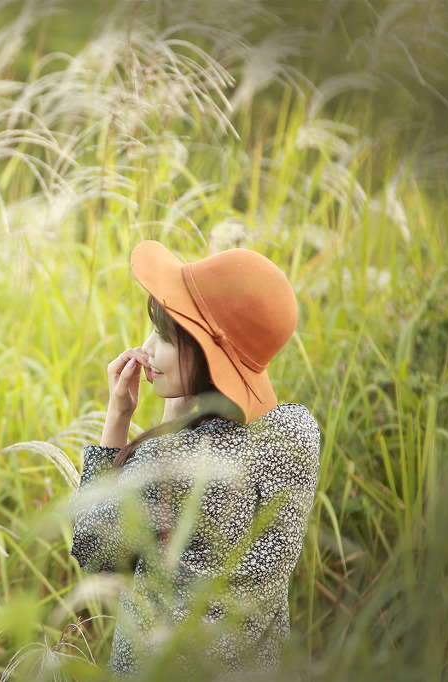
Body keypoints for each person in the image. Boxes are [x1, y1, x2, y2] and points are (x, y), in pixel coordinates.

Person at [69, 240, 320, 678]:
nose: (146, 348)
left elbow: (95, 550)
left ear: (209, 352)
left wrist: (118, 416)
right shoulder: (297, 433)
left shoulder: (170, 466)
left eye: (166, 336)